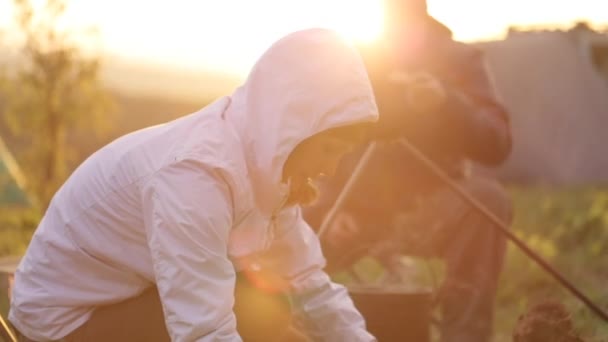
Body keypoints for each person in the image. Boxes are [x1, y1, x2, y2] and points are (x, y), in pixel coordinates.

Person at [8, 28, 380, 342]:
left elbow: (305, 278)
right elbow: (203, 330)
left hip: (127, 294)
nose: (331, 169)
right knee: (259, 315)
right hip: (64, 322)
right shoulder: (194, 177)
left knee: (267, 306)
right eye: (330, 150)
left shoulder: (263, 169)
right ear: (293, 128)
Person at [302, 1, 513, 341]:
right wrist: (331, 204)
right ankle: (273, 326)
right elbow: (322, 136)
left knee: (488, 202)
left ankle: (465, 336)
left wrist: (447, 102)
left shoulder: (458, 61)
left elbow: (497, 142)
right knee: (279, 218)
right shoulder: (357, 58)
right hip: (353, 210)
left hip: (429, 210)